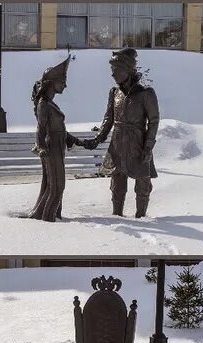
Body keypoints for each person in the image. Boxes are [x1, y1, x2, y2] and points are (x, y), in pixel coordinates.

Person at [82, 48, 159, 218]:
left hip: (138, 143)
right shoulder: (114, 92)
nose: (113, 75)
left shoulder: (146, 93)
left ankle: (141, 215)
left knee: (143, 182)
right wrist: (98, 138)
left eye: (116, 70)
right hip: (117, 144)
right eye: (112, 71)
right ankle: (117, 215)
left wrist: (148, 147)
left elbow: (153, 121)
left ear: (128, 69)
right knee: (117, 181)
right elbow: (108, 119)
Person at [28, 54, 83, 222]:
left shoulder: (50, 103)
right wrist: (41, 147)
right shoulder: (43, 104)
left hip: (58, 145)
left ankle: (48, 214)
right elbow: (41, 128)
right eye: (62, 81)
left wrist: (70, 138)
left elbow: (57, 128)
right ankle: (48, 219)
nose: (65, 85)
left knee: (52, 184)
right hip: (51, 147)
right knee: (57, 186)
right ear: (52, 83)